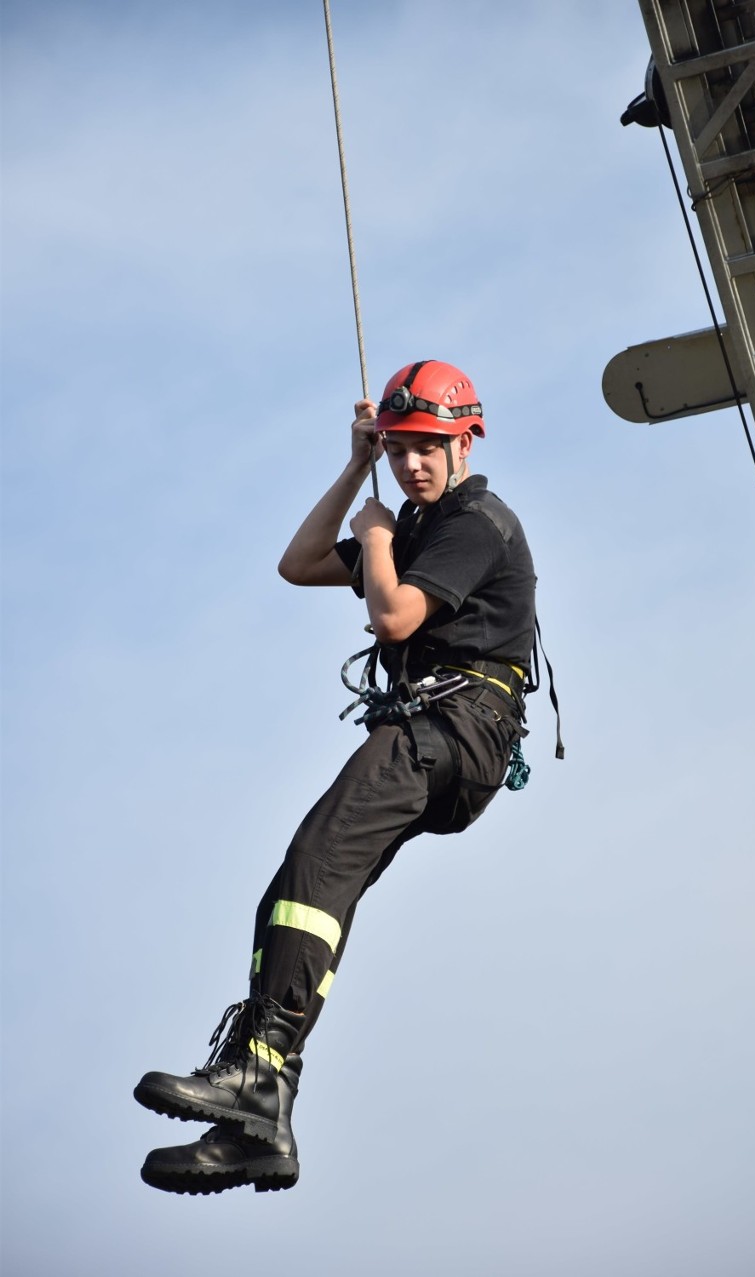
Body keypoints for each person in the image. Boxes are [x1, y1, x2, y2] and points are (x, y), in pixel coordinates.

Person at [135, 358, 550, 1195]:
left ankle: (257, 1074)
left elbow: (395, 613)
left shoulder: (476, 521)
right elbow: (296, 563)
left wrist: (377, 535)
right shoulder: (416, 527)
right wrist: (354, 468)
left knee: (316, 860)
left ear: (466, 437)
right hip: (436, 732)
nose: (412, 465)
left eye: (427, 447)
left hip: (454, 728)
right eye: (398, 449)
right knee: (302, 889)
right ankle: (256, 1123)